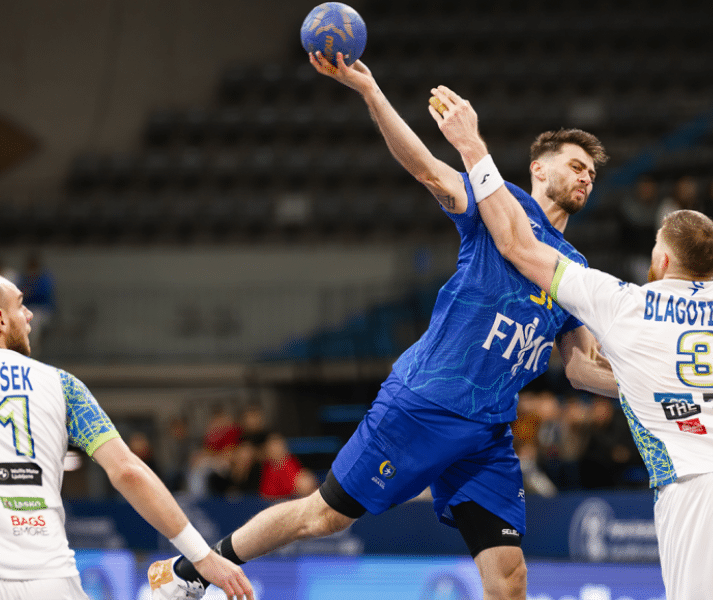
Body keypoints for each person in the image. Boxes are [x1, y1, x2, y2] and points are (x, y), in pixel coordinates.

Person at [150, 52, 618, 600]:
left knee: (509, 577)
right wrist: (372, 93)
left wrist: (650, 382)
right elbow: (425, 167)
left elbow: (583, 368)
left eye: (592, 171)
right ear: (539, 168)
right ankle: (189, 573)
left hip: (486, 433)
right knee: (323, 517)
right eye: (574, 164)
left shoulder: (577, 270)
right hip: (424, 404)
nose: (585, 175)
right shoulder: (501, 204)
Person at [427, 86, 713, 599]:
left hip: (698, 486)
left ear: (662, 261)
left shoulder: (627, 302)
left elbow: (515, 244)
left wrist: (472, 148)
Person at [0, 273, 254, 600]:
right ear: (0, 319)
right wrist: (202, 556)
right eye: (21, 305)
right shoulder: (61, 385)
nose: (30, 314)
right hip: (47, 577)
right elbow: (126, 470)